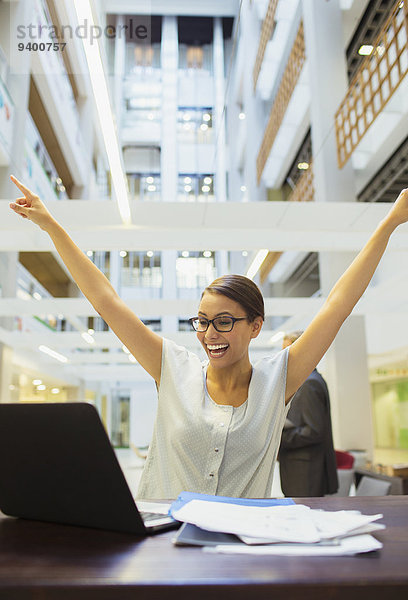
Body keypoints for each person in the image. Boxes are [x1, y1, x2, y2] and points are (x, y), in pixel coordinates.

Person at [9, 175, 408, 499]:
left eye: (223, 322)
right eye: (202, 321)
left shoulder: (278, 381)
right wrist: (51, 226)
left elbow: (336, 305)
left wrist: (389, 223)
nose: (208, 334)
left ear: (255, 327)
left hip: (240, 554)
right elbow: (107, 302)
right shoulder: (173, 369)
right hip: (164, 547)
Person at [278, 331, 338, 497]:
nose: (283, 357)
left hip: (305, 473)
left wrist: (278, 437)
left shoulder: (309, 383)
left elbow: (312, 431)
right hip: (303, 471)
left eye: (287, 351)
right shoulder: (307, 380)